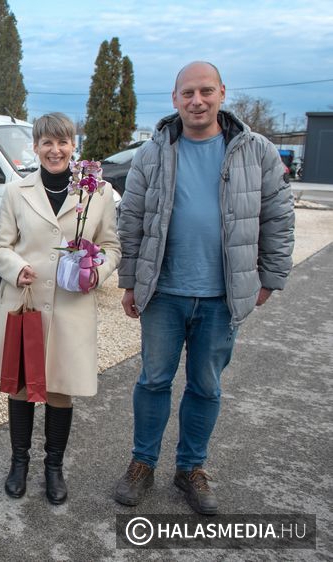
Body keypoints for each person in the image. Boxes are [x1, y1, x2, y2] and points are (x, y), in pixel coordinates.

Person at [113, 61, 295, 515]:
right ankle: (142, 463)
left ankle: (190, 468)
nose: (197, 100)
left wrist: (270, 277)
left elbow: (278, 216)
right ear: (175, 99)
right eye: (188, 93)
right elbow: (130, 219)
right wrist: (130, 280)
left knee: (206, 386)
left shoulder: (256, 152)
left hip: (221, 297)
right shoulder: (153, 153)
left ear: (222, 93)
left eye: (206, 91)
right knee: (153, 381)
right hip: (164, 293)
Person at [0, 113, 120, 503]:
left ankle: (53, 467)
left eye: (63, 142)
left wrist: (97, 272)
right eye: (46, 143)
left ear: (74, 146)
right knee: (21, 387)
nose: (55, 150)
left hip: (71, 307)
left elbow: (111, 247)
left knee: (60, 390)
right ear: (35, 147)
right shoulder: (16, 190)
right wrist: (14, 268)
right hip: (25, 304)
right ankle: (18, 463)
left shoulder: (97, 191)